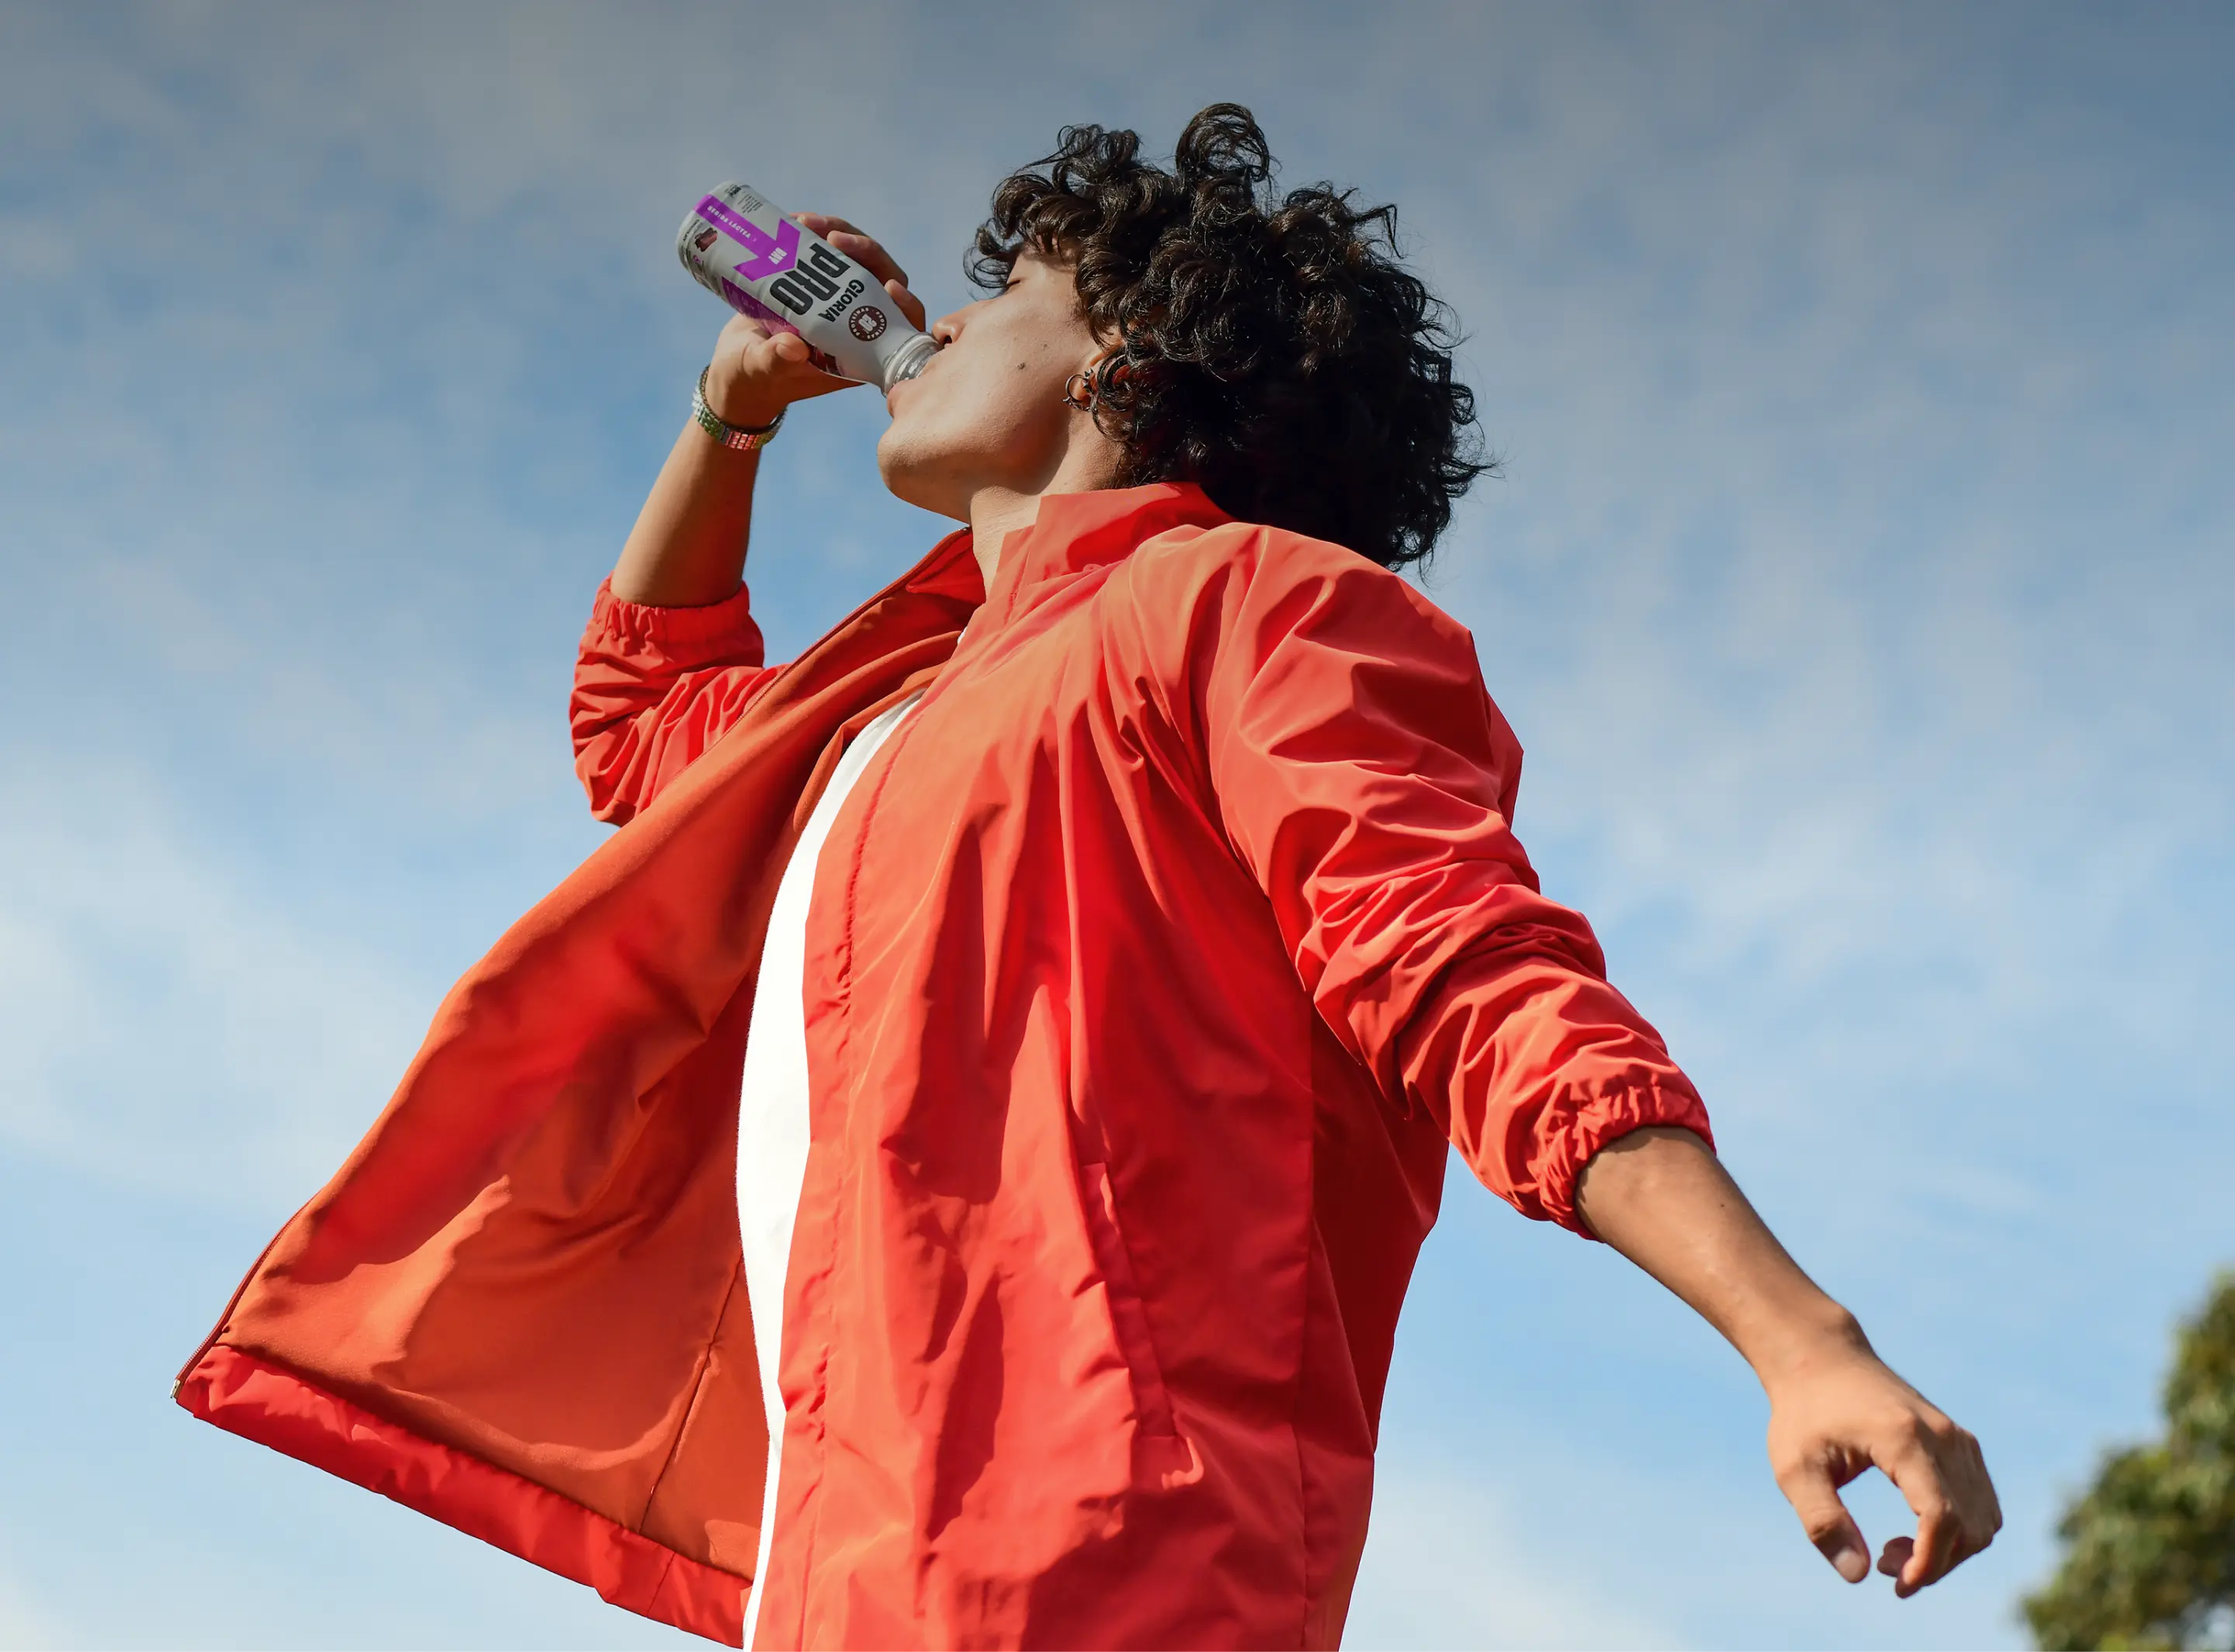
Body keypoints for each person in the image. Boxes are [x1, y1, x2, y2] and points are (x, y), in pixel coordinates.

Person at [178, 106, 2000, 1650]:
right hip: (843, 1564)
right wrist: (729, 420)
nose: (936, 323)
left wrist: (1796, 1330)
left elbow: (1462, 959)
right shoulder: (894, 700)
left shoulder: (1248, 602)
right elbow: (643, 725)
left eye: (1001, 298)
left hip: (1114, 1551)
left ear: (1121, 357)